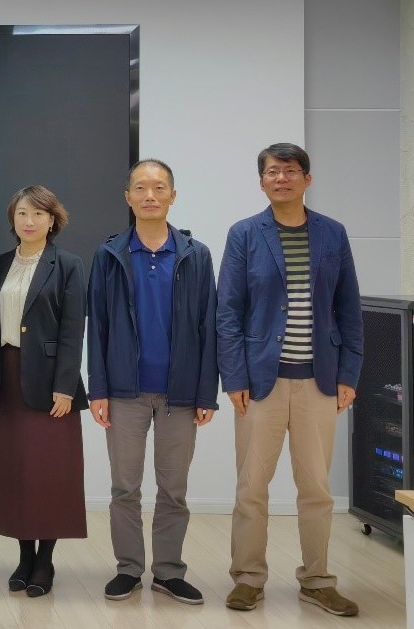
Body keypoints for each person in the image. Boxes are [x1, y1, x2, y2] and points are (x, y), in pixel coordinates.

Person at [218, 143, 363, 617]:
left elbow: (348, 307)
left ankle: (317, 581)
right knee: (251, 488)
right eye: (273, 171)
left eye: (291, 170)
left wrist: (349, 372)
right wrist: (234, 376)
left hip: (320, 382)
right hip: (260, 383)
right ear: (261, 181)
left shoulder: (332, 233)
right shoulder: (244, 234)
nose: (282, 178)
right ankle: (248, 578)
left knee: (317, 489)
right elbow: (228, 312)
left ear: (307, 179)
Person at [86, 158, 217, 606]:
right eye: (140, 188)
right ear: (128, 197)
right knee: (124, 488)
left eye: (159, 188)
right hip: (125, 392)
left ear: (172, 196)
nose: (150, 195)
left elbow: (208, 325)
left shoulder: (196, 255)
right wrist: (98, 390)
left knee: (173, 490)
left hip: (181, 393)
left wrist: (206, 392)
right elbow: (98, 326)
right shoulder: (109, 255)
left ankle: (168, 572)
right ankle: (128, 569)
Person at [0, 185, 87, 598]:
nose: (30, 221)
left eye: (39, 214)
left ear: (52, 220)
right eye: (23, 213)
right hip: (6, 379)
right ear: (13, 218)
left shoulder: (68, 265)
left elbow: (72, 330)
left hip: (50, 383)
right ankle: (24, 556)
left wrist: (65, 386)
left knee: (50, 473)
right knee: (15, 471)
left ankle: (45, 560)